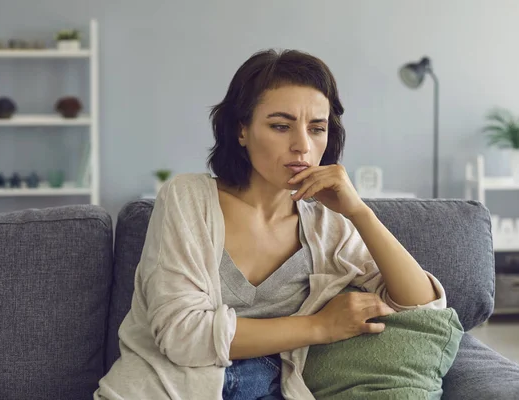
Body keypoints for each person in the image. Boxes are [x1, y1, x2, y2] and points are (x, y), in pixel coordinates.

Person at [94, 49, 446, 400]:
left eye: (317, 128)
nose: (302, 146)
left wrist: (360, 213)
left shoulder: (329, 227)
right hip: (164, 389)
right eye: (280, 126)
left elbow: (421, 308)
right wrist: (318, 327)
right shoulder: (187, 198)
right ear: (241, 130)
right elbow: (182, 336)